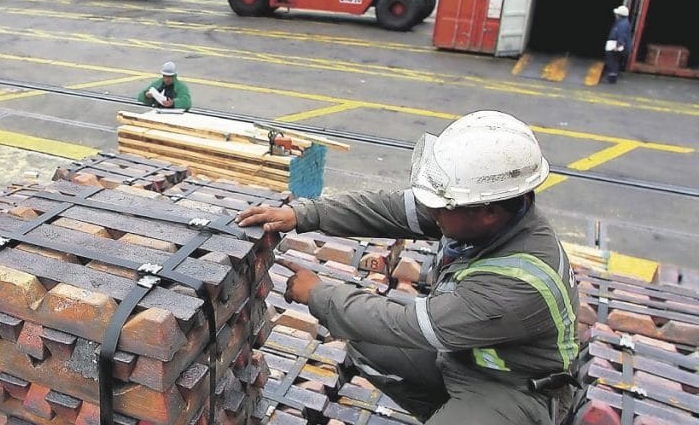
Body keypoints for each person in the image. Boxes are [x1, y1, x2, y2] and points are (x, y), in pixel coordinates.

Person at [237, 111, 578, 425]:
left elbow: (409, 326)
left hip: (514, 387)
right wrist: (303, 214)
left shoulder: (519, 284)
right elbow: (389, 210)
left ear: (486, 210)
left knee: (374, 325)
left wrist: (318, 294)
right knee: (363, 341)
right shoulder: (480, 215)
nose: (432, 211)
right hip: (463, 357)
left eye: (441, 206)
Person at [604, 5, 632, 83]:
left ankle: (612, 77)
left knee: (612, 60)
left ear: (619, 15)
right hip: (618, 45)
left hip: (617, 45)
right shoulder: (622, 22)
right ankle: (613, 75)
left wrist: (618, 45)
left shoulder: (622, 24)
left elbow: (621, 35)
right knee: (615, 60)